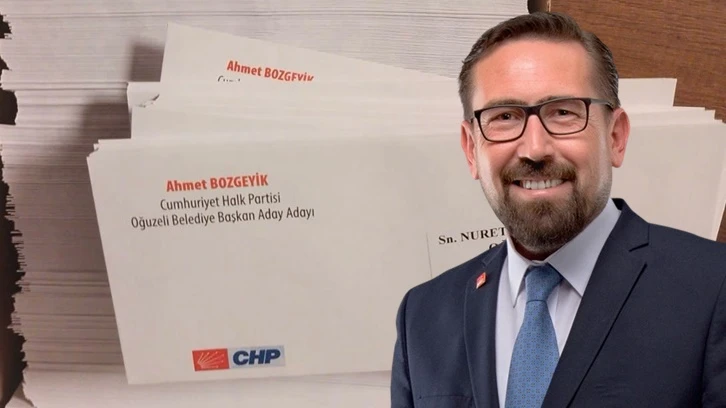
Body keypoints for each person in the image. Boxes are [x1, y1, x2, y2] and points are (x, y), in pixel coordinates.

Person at [390, 11, 726, 408]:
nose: (535, 149)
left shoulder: (713, 289)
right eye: (504, 117)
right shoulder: (423, 316)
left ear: (615, 137)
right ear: (470, 149)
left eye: (563, 112)